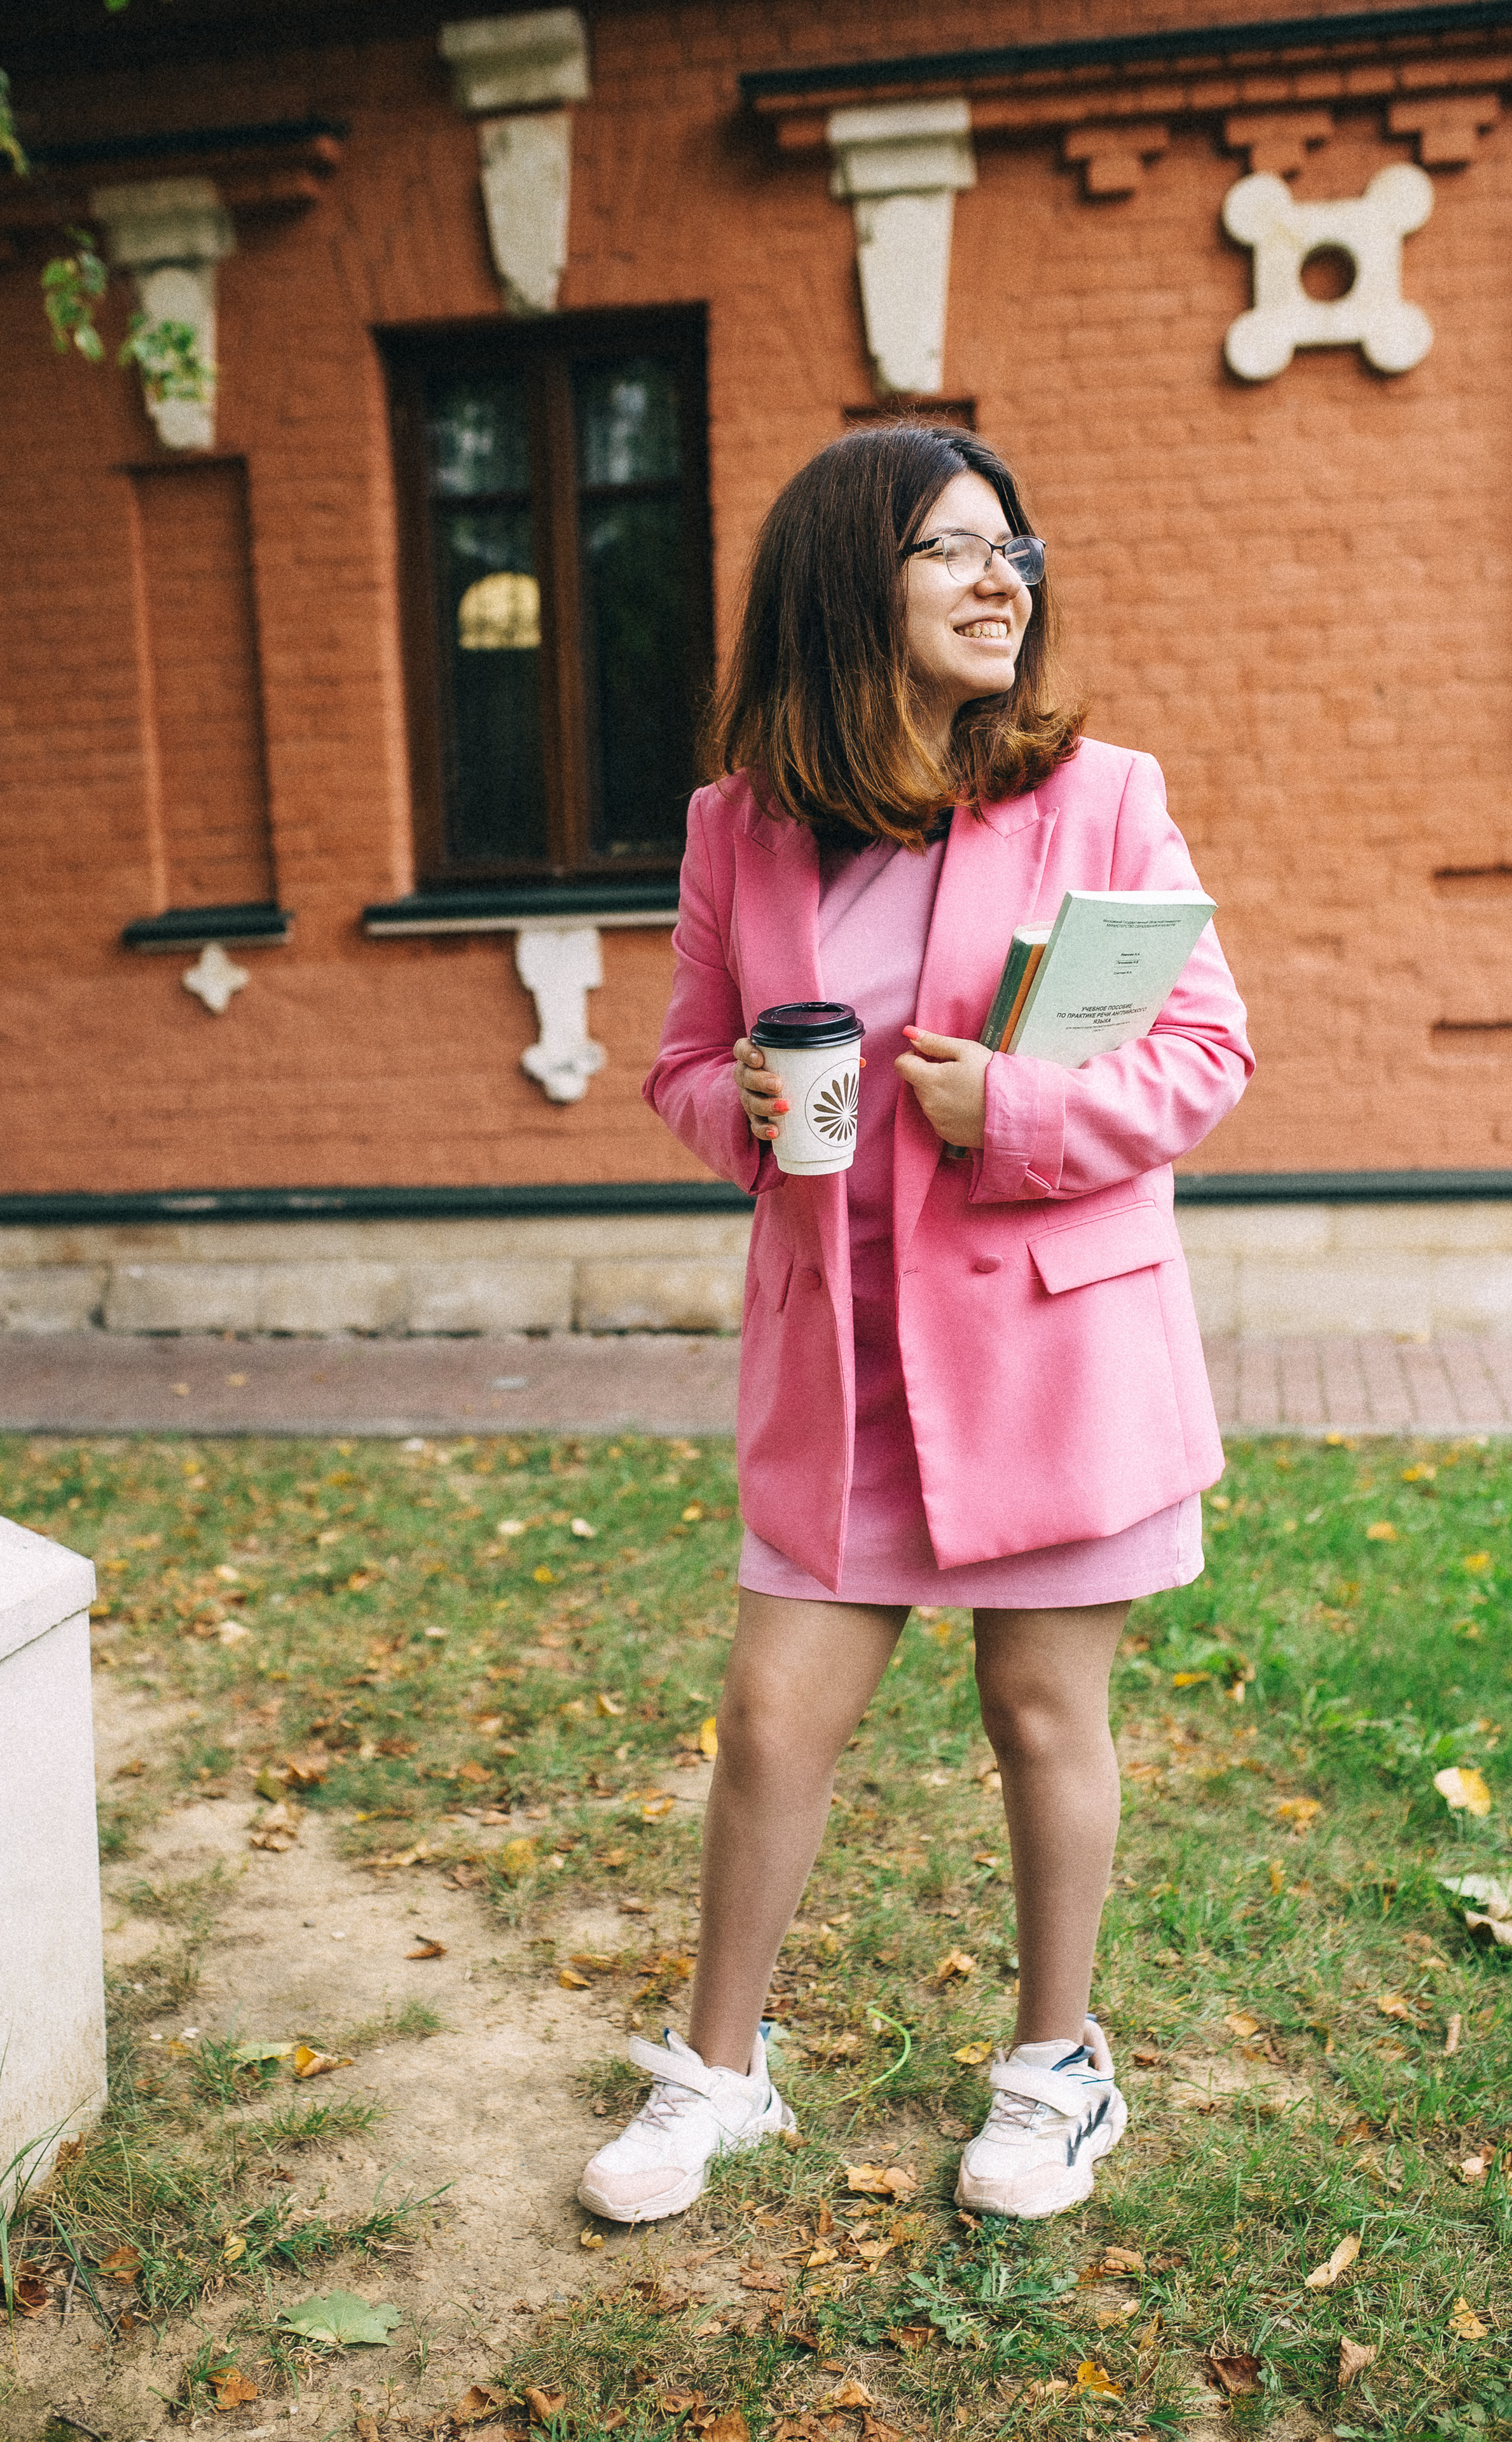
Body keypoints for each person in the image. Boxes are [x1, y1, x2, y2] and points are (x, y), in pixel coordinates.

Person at [577, 424, 1253, 2226]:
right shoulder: (741, 828)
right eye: (949, 550)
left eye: (1010, 549)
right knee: (772, 1712)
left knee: (1043, 1708)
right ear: (841, 587)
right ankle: (722, 2072)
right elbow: (679, 1067)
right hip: (845, 1353)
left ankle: (1056, 2070)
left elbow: (1204, 1052)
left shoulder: (1101, 794)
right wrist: (755, 1114)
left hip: (1051, 1341)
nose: (997, 578)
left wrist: (1012, 1115)